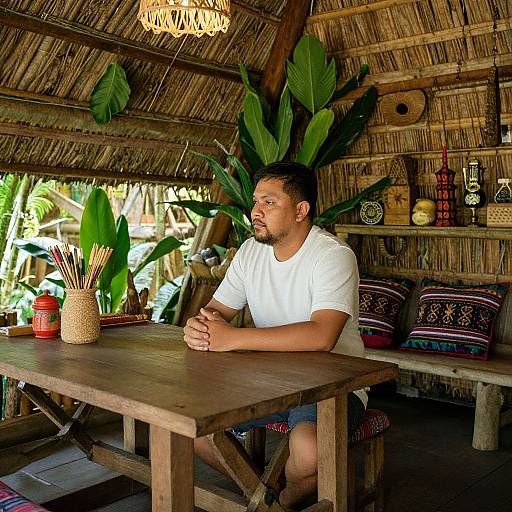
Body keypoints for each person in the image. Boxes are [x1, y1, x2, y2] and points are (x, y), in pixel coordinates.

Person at [184, 161, 366, 511]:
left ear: (301, 210)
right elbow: (215, 311)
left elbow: (322, 335)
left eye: (269, 202)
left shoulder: (333, 256)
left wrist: (232, 338)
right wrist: (200, 326)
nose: (255, 211)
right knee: (195, 428)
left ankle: (276, 502)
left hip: (331, 385)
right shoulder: (251, 252)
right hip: (263, 380)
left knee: (310, 453)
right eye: (255, 202)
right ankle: (260, 492)